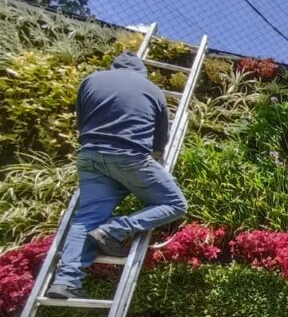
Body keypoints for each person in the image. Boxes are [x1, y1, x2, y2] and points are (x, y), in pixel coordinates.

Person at [46, 52, 187, 299]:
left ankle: (66, 281)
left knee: (87, 218)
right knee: (175, 203)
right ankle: (115, 229)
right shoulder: (153, 91)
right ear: (141, 71)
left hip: (90, 156)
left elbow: (81, 120)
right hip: (130, 156)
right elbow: (160, 140)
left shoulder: (90, 80)